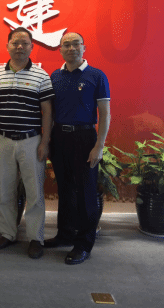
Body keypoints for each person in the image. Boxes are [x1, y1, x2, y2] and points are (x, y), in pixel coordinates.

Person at [44, 32, 110, 265]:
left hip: (85, 138)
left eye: (75, 44)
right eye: (66, 45)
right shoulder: (55, 76)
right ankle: (64, 234)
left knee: (85, 192)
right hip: (60, 137)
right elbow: (50, 112)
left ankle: (83, 244)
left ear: (84, 47)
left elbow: (105, 114)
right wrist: (48, 141)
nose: (71, 48)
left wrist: (99, 146)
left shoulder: (96, 76)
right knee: (65, 189)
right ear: (60, 49)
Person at [0, 27, 53, 259]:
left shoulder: (41, 75)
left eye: (24, 43)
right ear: (7, 46)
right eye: (15, 43)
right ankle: (7, 233)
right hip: (3, 139)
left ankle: (36, 238)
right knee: (5, 190)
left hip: (31, 140)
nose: (19, 47)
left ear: (31, 47)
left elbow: (47, 112)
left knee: (34, 192)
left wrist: (44, 142)